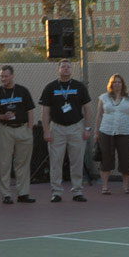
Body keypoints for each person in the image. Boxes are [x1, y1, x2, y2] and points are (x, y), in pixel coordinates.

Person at [39, 59, 92, 203]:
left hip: (76, 127)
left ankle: (77, 191)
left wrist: (87, 128)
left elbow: (87, 108)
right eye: (63, 67)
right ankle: (56, 192)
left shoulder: (79, 86)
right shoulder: (50, 87)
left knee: (77, 160)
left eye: (68, 67)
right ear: (58, 69)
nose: (66, 69)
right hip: (57, 128)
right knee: (56, 161)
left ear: (72, 70)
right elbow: (45, 111)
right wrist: (46, 131)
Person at [0, 65, 36, 204]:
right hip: (6, 130)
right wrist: (3, 117)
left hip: (23, 129)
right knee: (4, 163)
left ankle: (23, 193)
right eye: (1, 76)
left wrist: (30, 128)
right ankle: (6, 194)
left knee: (23, 163)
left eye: (6, 76)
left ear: (12, 76)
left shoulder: (22, 91)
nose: (3, 78)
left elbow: (30, 110)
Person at [94, 73, 129, 194]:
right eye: (114, 82)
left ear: (123, 84)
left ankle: (126, 186)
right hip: (106, 131)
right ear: (111, 84)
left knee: (126, 159)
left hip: (125, 131)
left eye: (119, 82)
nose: (117, 84)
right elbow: (99, 115)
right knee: (106, 159)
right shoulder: (103, 97)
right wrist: (96, 133)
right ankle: (105, 186)